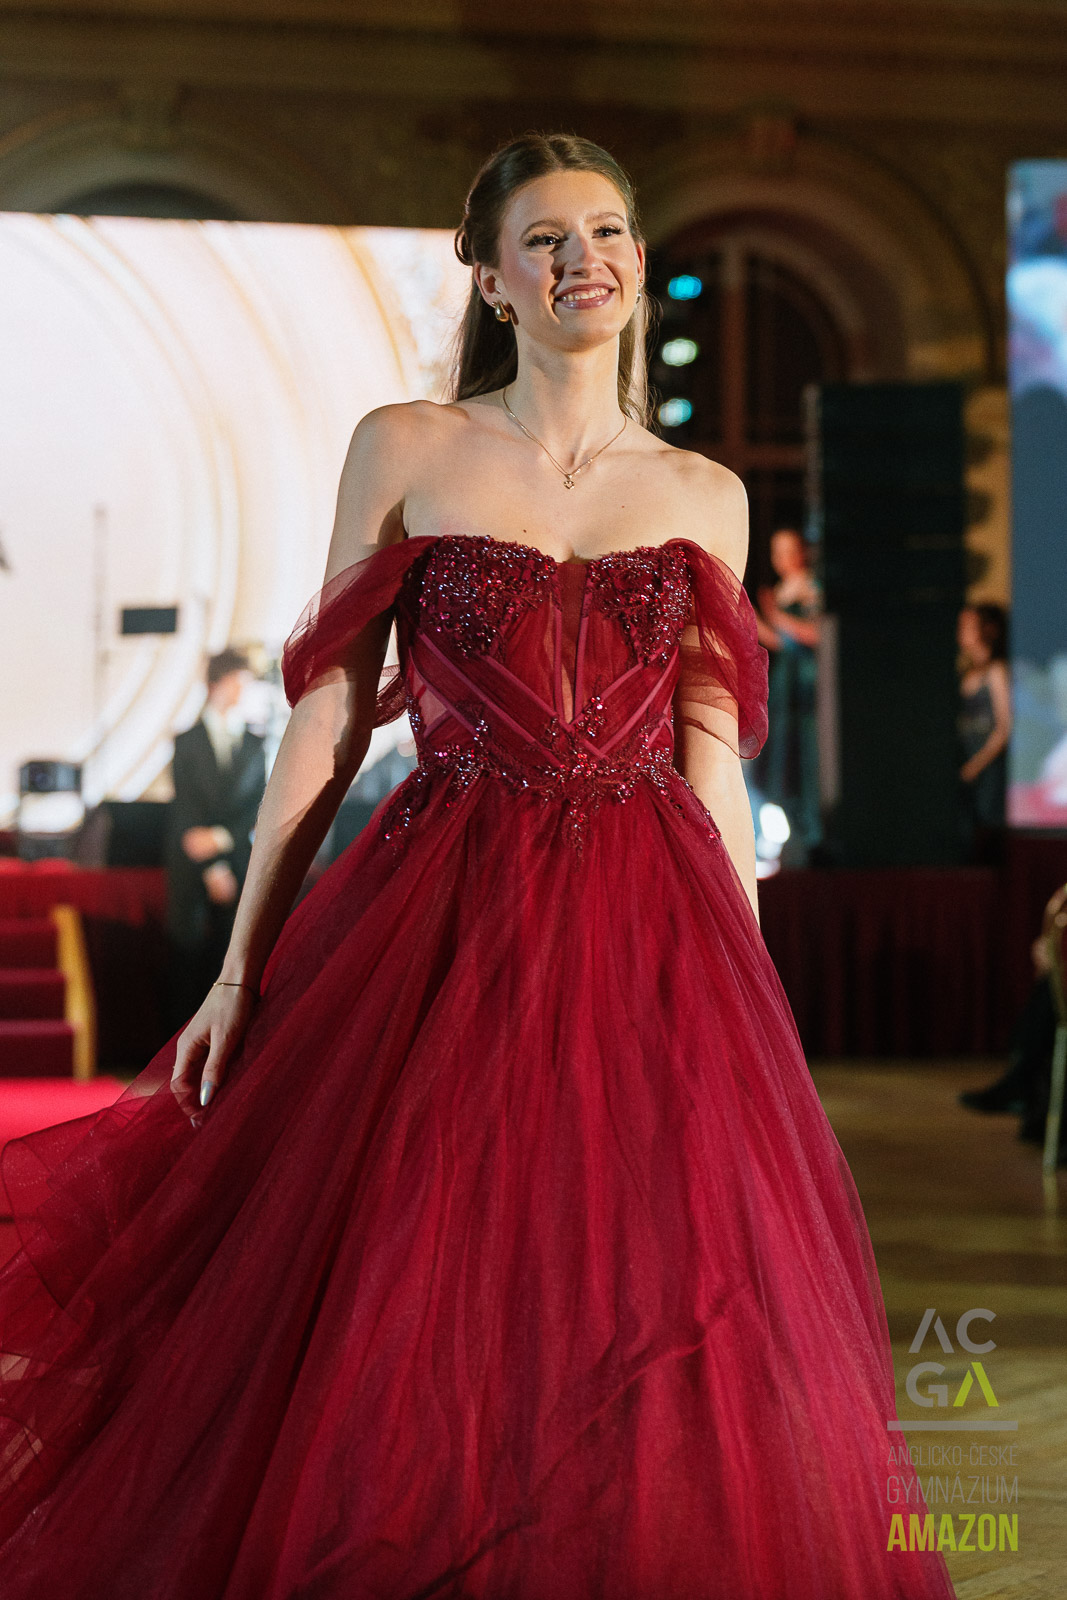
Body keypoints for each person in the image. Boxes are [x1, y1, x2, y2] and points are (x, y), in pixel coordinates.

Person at [0, 135, 955, 1599]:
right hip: (441, 914)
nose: (585, 260)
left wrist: (750, 1007)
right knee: (421, 1269)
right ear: (493, 280)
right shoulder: (405, 445)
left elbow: (713, 762)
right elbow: (326, 720)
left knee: (638, 1280)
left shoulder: (703, 492)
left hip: (650, 922)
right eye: (547, 239)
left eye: (608, 232)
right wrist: (240, 969)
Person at [164, 647, 267, 1031]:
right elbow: (186, 807)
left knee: (233, 959)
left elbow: (259, 805)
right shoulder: (186, 741)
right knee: (186, 958)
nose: (243, 691)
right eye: (238, 682)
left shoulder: (256, 743)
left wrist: (224, 840)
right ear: (217, 684)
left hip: (240, 859)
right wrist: (210, 866)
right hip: (192, 865)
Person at [756, 526, 823, 859]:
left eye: (788, 551)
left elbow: (815, 635)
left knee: (805, 754)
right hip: (785, 682)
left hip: (805, 683)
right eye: (776, 552)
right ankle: (792, 831)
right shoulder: (782, 590)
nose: (781, 559)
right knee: (781, 756)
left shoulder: (810, 588)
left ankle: (813, 833)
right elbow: (780, 642)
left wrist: (776, 616)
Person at [956, 602, 1011, 864]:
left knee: (988, 829)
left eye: (967, 625)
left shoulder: (997, 672)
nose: (960, 631)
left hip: (987, 769)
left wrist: (976, 765)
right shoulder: (966, 673)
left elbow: (1004, 728)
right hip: (966, 765)